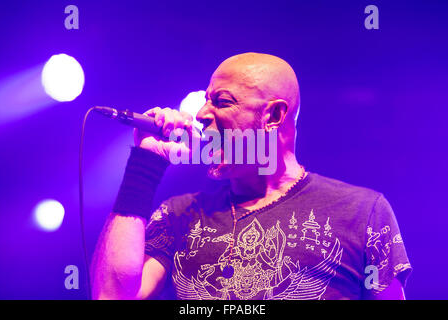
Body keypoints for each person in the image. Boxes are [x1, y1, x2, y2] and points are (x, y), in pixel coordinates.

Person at [91, 52, 412, 300]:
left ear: (273, 115)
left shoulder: (361, 211)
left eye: (221, 101)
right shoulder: (179, 214)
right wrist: (145, 164)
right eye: (206, 100)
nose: (202, 114)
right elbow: (111, 295)